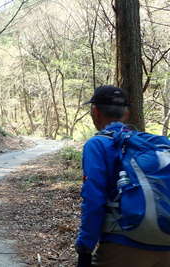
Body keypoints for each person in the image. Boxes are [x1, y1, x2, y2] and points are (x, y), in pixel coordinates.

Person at [75, 85, 170, 267]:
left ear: (94, 112)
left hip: (123, 243)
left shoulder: (97, 144)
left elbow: (94, 199)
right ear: (126, 114)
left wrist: (85, 246)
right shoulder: (149, 143)